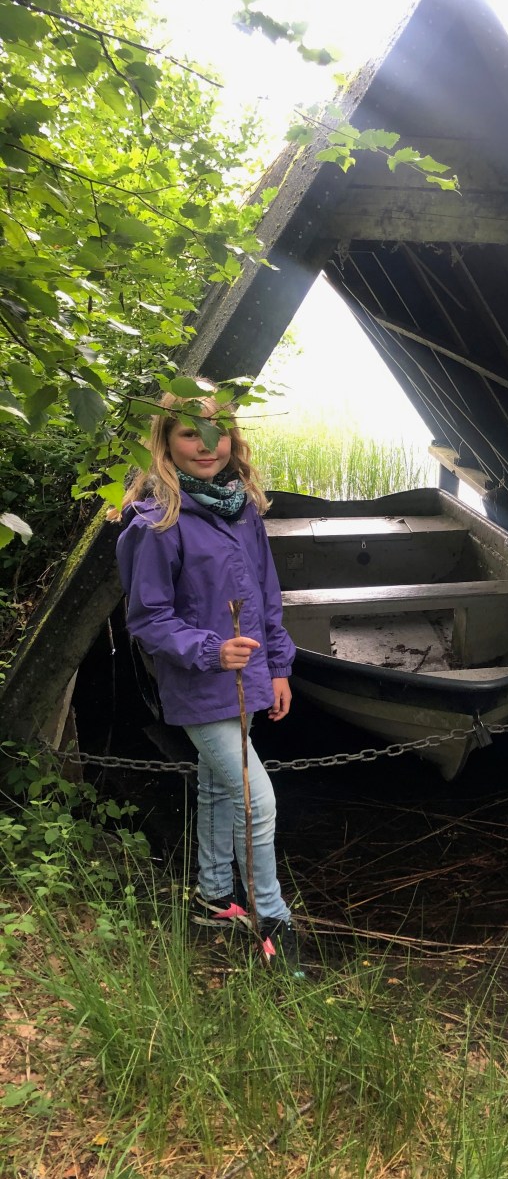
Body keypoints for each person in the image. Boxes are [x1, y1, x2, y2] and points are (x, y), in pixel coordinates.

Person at [114, 383, 302, 970]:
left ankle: (214, 896)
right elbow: (148, 618)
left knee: (222, 787)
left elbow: (267, 596)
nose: (206, 445)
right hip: (199, 681)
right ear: (166, 441)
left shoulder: (243, 510)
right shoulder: (157, 522)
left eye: (218, 433)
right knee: (256, 800)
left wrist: (279, 667)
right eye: (190, 432)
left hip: (248, 678)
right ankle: (272, 917)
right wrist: (211, 651)